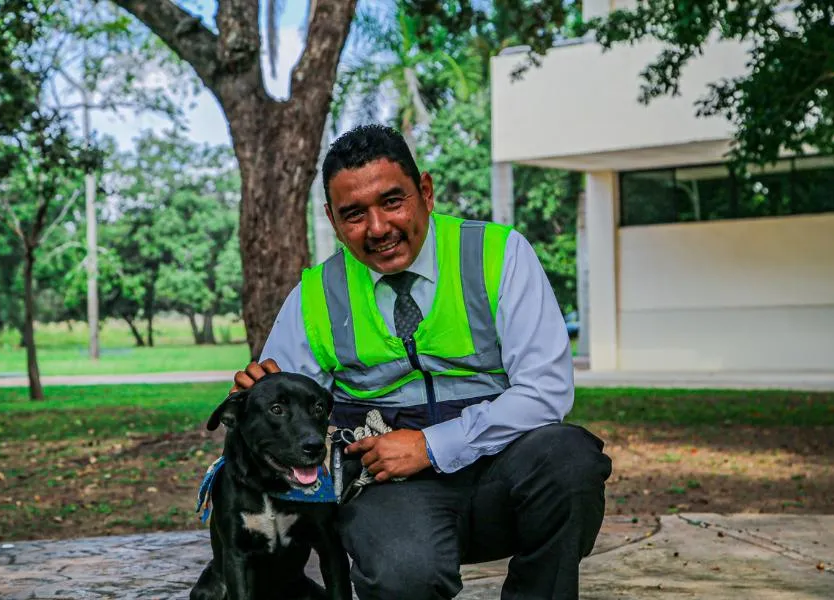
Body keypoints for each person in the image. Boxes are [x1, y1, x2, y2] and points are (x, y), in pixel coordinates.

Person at [230, 124, 612, 600]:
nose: (377, 229)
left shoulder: (498, 254)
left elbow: (547, 390)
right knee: (402, 574)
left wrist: (431, 445)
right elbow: (278, 404)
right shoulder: (313, 296)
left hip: (504, 470)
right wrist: (257, 400)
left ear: (425, 192)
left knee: (568, 462)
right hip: (388, 484)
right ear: (332, 218)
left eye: (393, 201)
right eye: (353, 214)